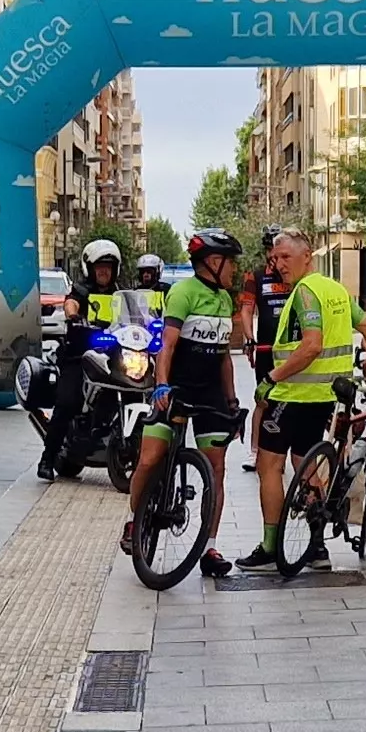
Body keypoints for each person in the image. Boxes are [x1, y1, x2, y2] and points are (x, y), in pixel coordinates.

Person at [240, 231, 366, 573]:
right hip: (328, 397)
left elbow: (311, 346)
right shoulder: (336, 289)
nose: (277, 264)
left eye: (285, 257)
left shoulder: (305, 292)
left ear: (307, 256)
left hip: (292, 395)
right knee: (308, 467)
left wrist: (271, 379)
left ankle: (269, 545)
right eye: (274, 258)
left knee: (269, 467)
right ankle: (317, 546)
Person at [124, 230, 243, 557]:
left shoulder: (224, 298)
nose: (235, 269)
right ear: (213, 262)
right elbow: (167, 344)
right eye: (230, 262)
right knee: (150, 458)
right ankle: (135, 520)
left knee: (216, 469)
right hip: (177, 385)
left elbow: (223, 357)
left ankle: (210, 548)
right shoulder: (183, 292)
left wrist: (231, 401)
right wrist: (161, 384)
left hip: (210, 392)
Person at [39, 239, 128, 480]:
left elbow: (134, 315)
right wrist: (73, 315)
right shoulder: (81, 289)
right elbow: (71, 302)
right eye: (100, 266)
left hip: (111, 355)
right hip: (80, 354)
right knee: (68, 401)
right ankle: (47, 457)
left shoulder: (120, 293)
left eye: (108, 267)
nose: (104, 271)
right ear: (90, 268)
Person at [244, 247, 292, 473]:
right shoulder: (256, 276)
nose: (277, 261)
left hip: (291, 349)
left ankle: (283, 452)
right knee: (263, 398)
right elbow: (246, 309)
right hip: (265, 347)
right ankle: (255, 452)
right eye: (272, 255)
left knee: (291, 400)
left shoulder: (291, 275)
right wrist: (249, 339)